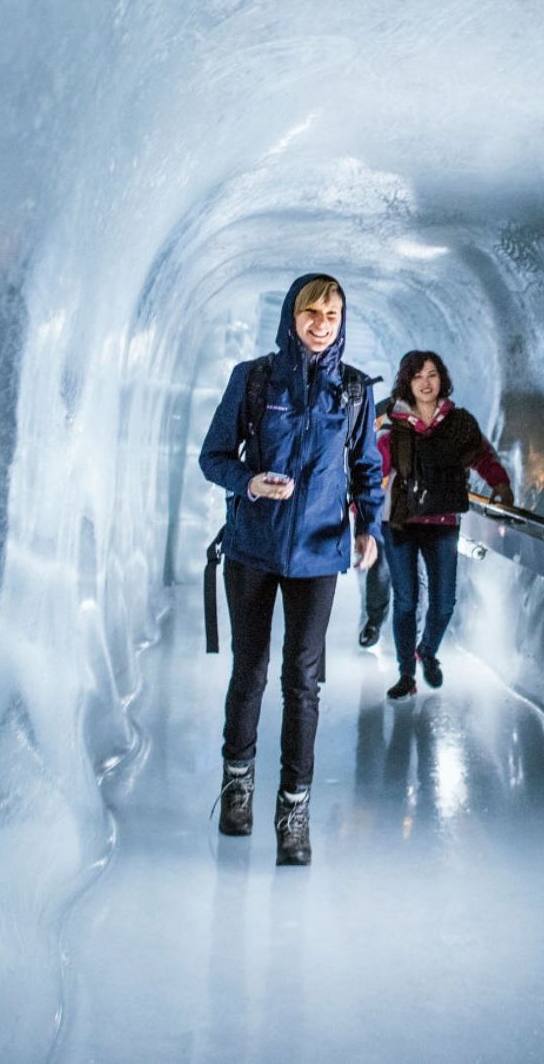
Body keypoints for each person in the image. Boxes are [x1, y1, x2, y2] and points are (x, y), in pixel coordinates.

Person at [198, 273, 383, 866]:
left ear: (341, 322)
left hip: (317, 554)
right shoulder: (253, 379)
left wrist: (369, 528)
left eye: (332, 314)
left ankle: (294, 810)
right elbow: (213, 457)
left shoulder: (353, 391)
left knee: (303, 681)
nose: (321, 324)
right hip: (252, 548)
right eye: (311, 312)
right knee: (249, 670)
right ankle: (237, 786)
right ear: (292, 315)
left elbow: (367, 469)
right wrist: (249, 481)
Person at [378, 349, 514, 699]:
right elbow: (372, 465)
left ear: (442, 379)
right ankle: (406, 674)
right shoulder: (394, 423)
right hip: (400, 521)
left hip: (442, 521)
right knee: (406, 601)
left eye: (432, 374)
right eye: (417, 376)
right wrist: (357, 509)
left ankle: (427, 650)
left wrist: (500, 484)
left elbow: (482, 455)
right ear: (406, 382)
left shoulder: (459, 423)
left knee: (444, 603)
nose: (425, 383)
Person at [356, 395, 393, 649]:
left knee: (418, 573)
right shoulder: (382, 416)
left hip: (414, 511)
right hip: (380, 511)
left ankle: (414, 636)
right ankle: (374, 622)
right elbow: (366, 462)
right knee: (380, 566)